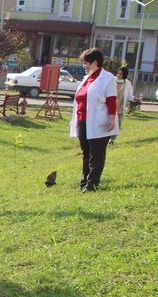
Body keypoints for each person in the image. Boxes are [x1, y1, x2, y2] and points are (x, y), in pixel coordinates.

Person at [69, 48, 118, 193]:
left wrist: (112, 118)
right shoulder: (87, 79)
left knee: (96, 154)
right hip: (83, 121)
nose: (84, 66)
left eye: (86, 63)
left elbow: (111, 100)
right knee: (86, 152)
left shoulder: (107, 78)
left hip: (99, 121)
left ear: (95, 63)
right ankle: (84, 181)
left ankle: (92, 184)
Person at [109, 66, 134, 145]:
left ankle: (111, 140)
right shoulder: (112, 81)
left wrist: (135, 99)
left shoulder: (127, 83)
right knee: (109, 123)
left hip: (120, 108)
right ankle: (106, 139)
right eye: (118, 73)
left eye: (121, 74)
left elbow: (129, 95)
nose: (118, 75)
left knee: (118, 124)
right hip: (111, 107)